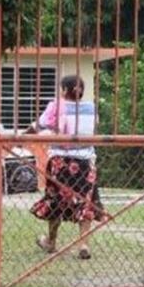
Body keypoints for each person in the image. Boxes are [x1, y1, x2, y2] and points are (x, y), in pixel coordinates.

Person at [29, 76, 106, 260]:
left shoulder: (56, 106)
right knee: (85, 200)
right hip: (85, 162)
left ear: (64, 90)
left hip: (60, 162)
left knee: (55, 200)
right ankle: (83, 244)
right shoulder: (91, 108)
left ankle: (51, 241)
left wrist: (20, 137)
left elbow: (38, 125)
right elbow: (92, 128)